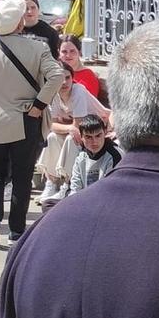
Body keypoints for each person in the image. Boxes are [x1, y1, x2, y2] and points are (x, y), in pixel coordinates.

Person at [0, 0, 66, 247]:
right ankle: (17, 230)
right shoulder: (38, 48)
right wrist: (39, 104)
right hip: (25, 117)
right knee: (21, 175)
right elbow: (57, 77)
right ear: (19, 23)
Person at [39, 50, 109, 207]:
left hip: (97, 129)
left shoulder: (78, 91)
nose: (64, 82)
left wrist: (68, 127)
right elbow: (51, 125)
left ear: (73, 78)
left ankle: (68, 183)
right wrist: (68, 127)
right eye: (60, 79)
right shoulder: (55, 94)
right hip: (82, 131)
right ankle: (52, 182)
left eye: (68, 78)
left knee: (71, 138)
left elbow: (77, 128)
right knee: (52, 138)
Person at [67, 114, 120, 194]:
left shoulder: (115, 155)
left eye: (98, 136)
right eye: (88, 137)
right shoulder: (81, 157)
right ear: (81, 137)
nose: (94, 142)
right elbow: (75, 188)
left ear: (105, 133)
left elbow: (110, 190)